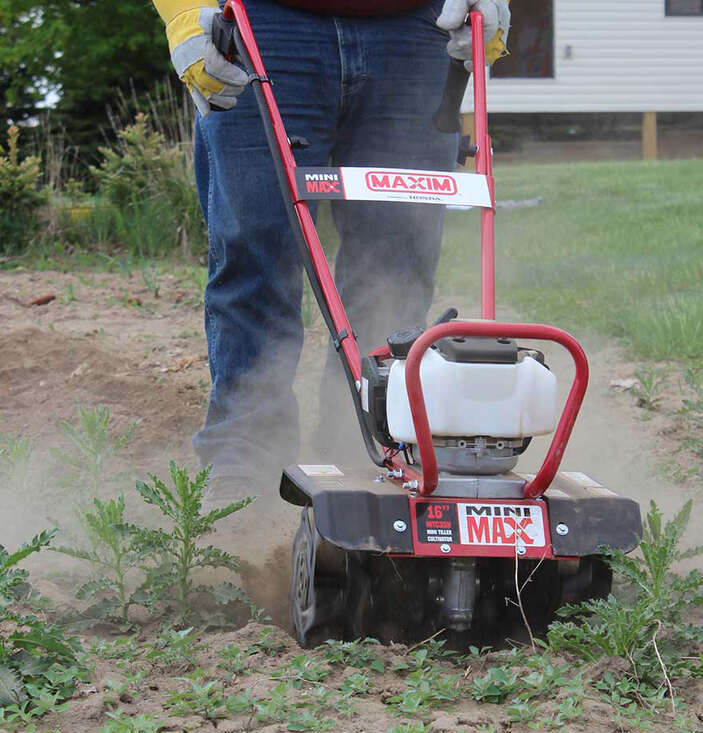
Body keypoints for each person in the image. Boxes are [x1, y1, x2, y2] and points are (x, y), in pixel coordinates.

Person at [152, 0, 510, 500]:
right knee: (256, 253)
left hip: (416, 29)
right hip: (260, 23)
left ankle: (367, 453)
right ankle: (244, 465)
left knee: (397, 263)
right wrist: (185, 10)